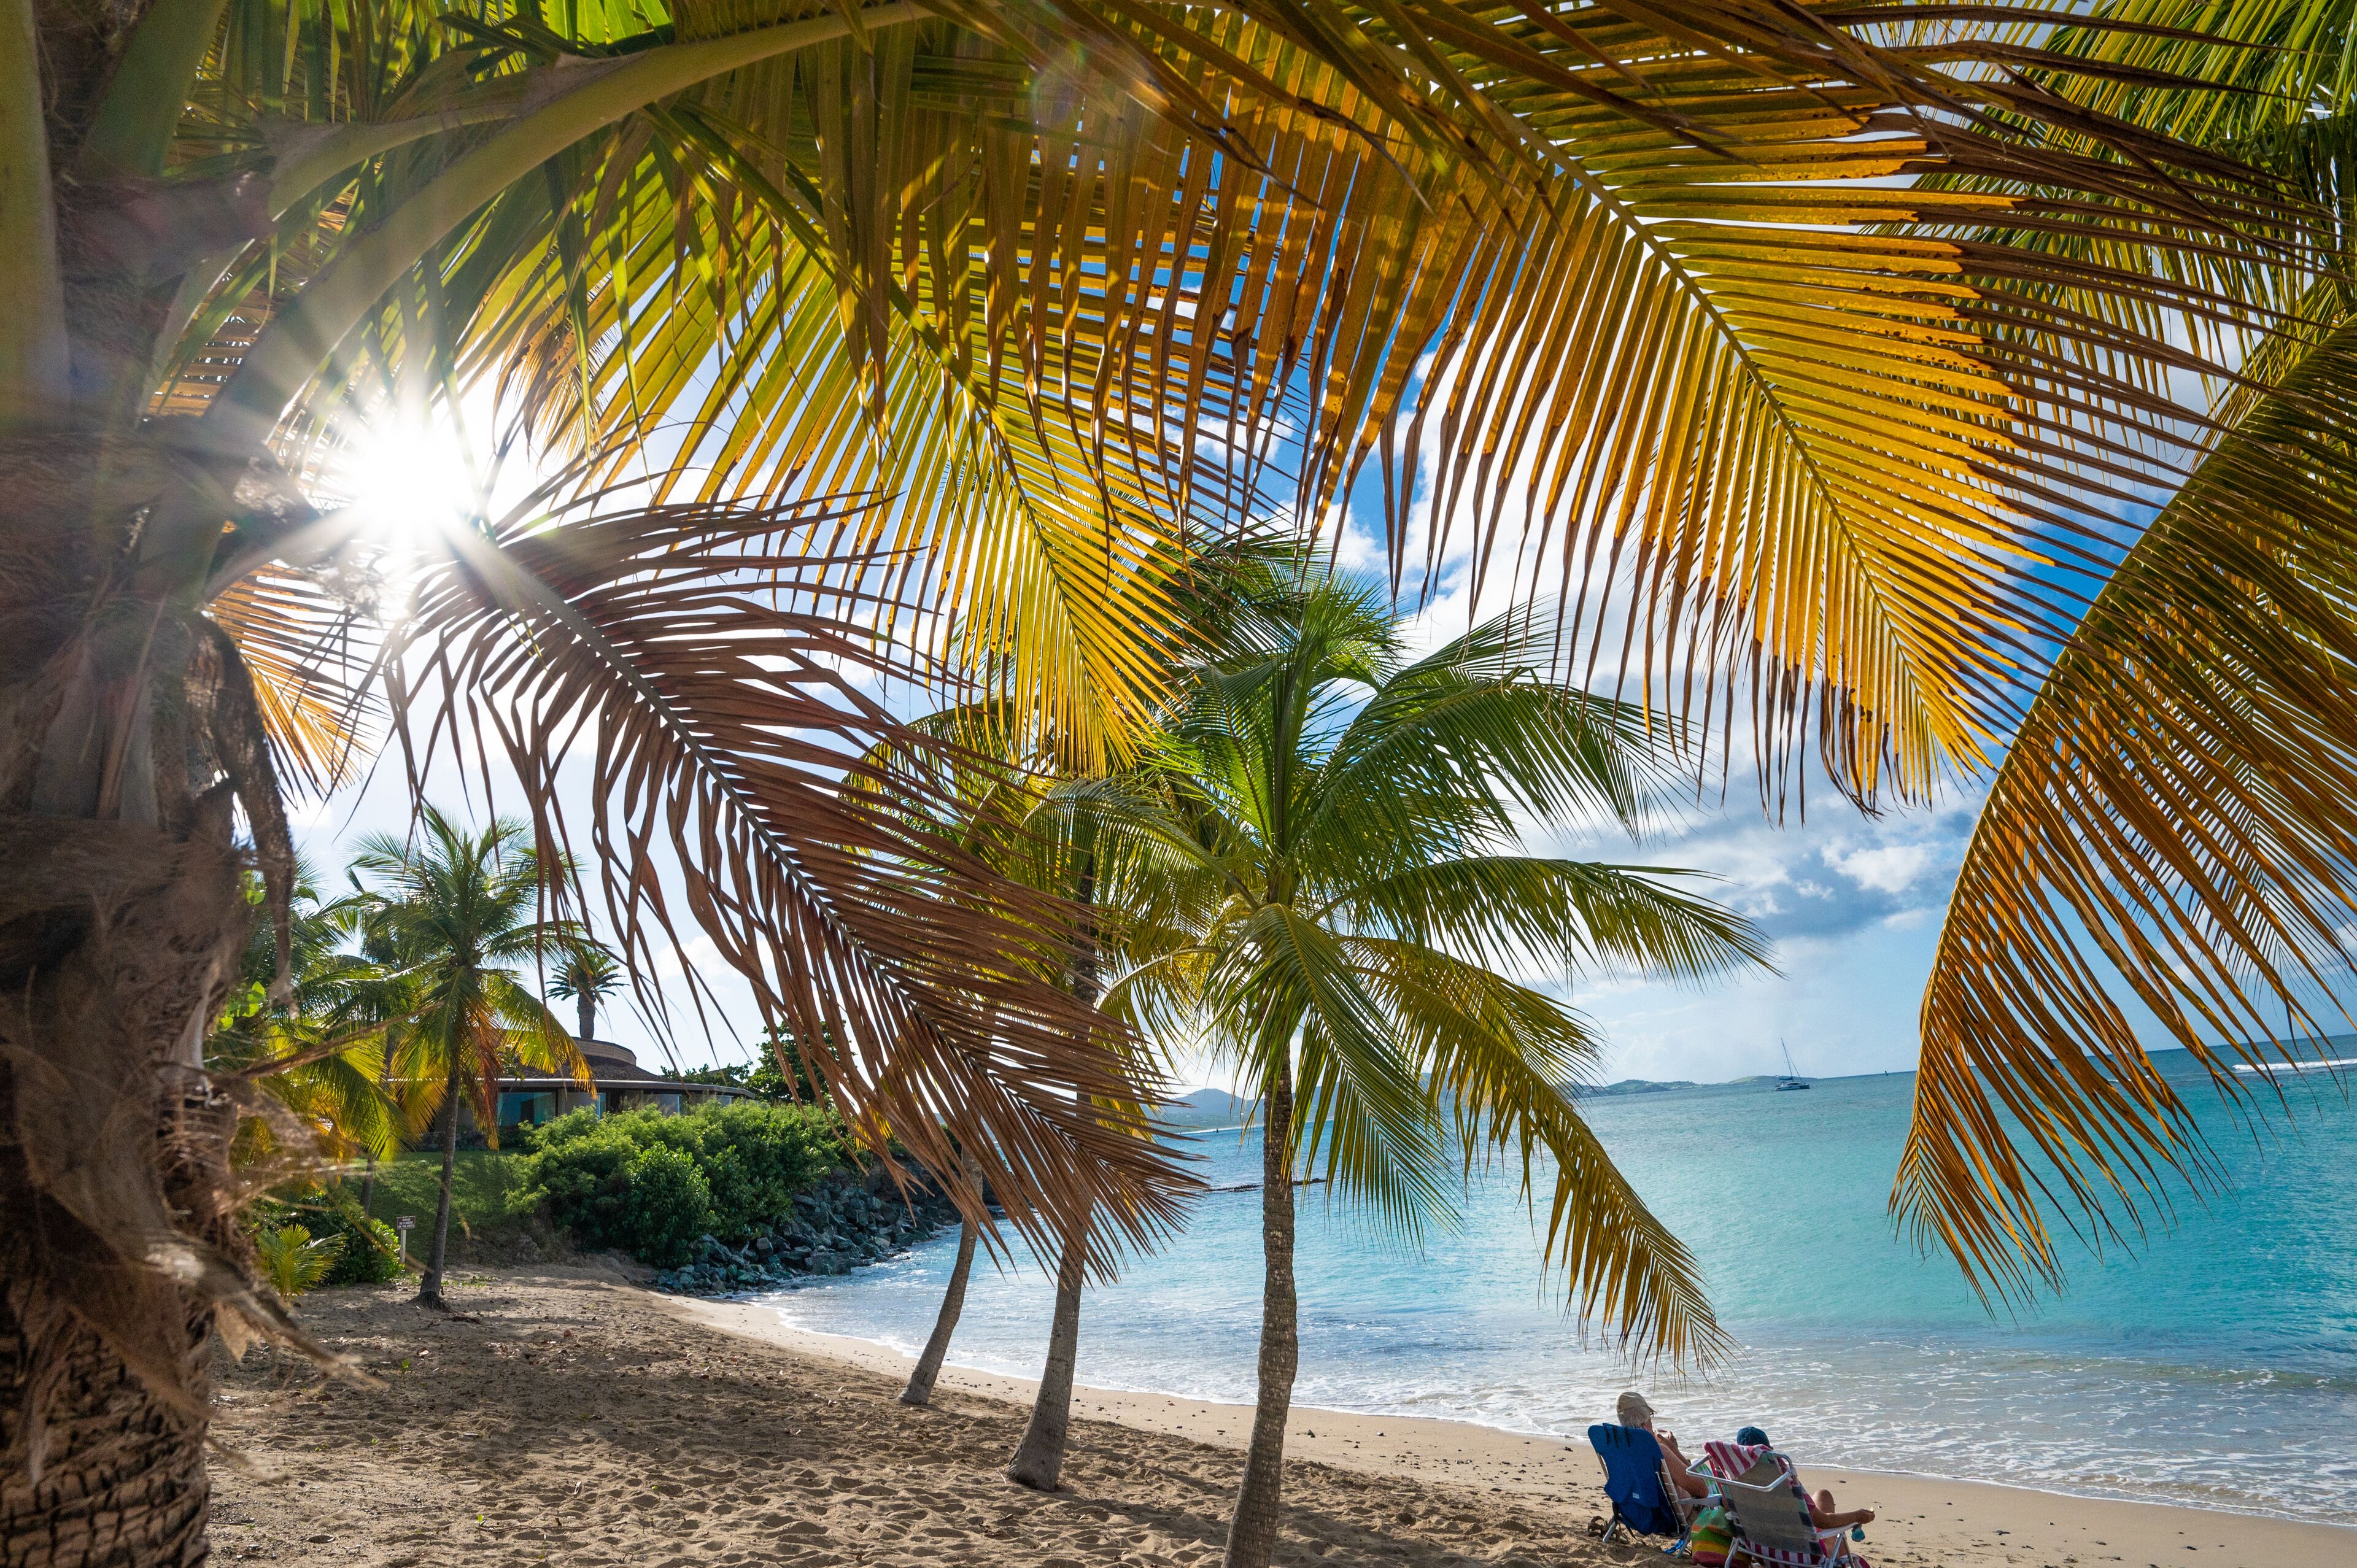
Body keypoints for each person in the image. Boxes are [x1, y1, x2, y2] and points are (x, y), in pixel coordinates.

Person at [1728, 1424, 1876, 1535]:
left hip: (1759, 1550)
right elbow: (1823, 1521)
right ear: (1770, 1450)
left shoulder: (1734, 1483)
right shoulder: (1781, 1480)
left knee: (1823, 1495)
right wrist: (1857, 1516)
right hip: (1795, 1553)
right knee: (1831, 1532)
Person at [1614, 1391, 1711, 1508]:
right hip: (1673, 1518)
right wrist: (1674, 1451)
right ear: (1644, 1424)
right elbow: (1702, 1491)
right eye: (1650, 1417)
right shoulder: (1659, 1452)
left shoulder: (1617, 1449)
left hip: (1639, 1513)